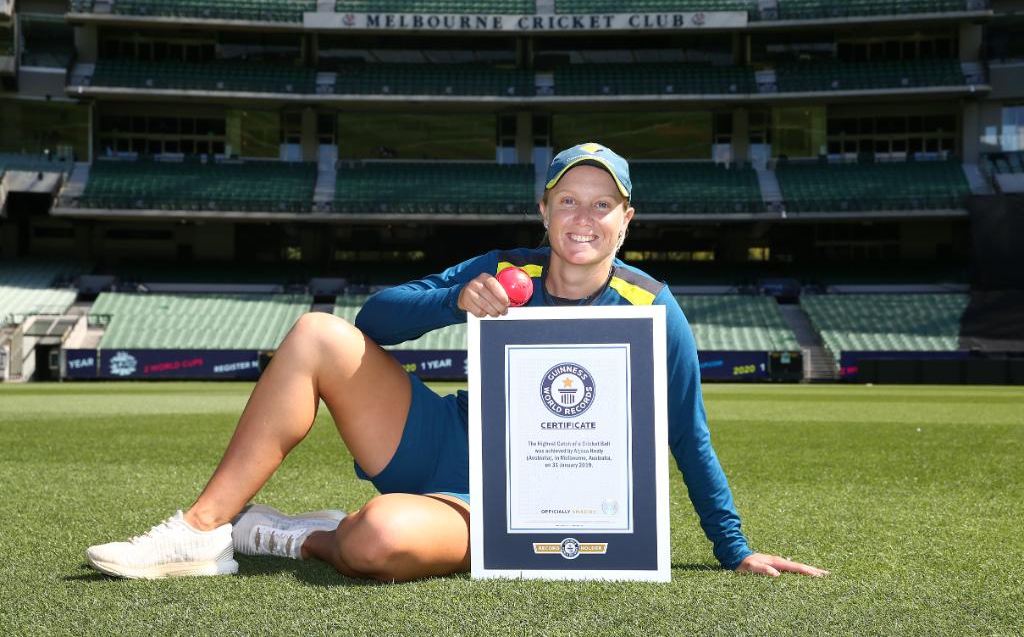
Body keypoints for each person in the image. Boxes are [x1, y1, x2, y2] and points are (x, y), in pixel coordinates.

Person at [86, 143, 827, 581]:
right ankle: (204, 528)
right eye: (569, 200)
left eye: (603, 205)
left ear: (627, 219)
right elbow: (373, 320)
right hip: (442, 440)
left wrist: (735, 551)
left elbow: (686, 434)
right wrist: (458, 300)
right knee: (317, 333)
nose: (583, 218)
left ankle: (291, 532)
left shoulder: (653, 308)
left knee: (374, 540)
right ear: (545, 210)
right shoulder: (507, 267)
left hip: (515, 503)